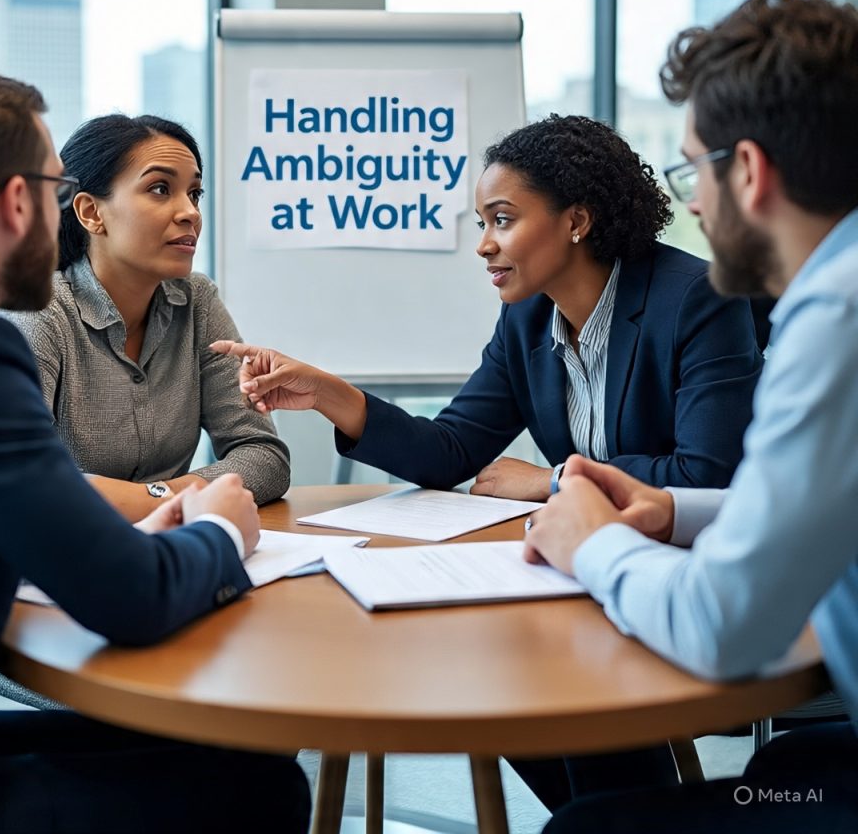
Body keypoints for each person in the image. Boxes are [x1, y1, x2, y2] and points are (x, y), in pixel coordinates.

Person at [213, 113, 764, 810]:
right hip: (577, 578)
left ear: (577, 221)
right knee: (509, 677)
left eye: (501, 219)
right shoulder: (527, 318)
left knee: (564, 704)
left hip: (673, 576)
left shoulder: (697, 298)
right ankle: (602, 818)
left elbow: (703, 477)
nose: (482, 245)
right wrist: (329, 394)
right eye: (481, 222)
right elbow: (450, 452)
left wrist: (552, 480)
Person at [0, 71, 310, 834]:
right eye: (56, 187)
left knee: (232, 758)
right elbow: (130, 600)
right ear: (20, 203)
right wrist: (219, 525)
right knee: (262, 785)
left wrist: (125, 526)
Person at [522, 0, 858, 834]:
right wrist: (672, 511)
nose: (693, 207)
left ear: (746, 171)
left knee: (590, 829)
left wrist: (589, 540)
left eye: (691, 171)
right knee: (778, 772)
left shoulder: (835, 317)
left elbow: (721, 628)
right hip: (830, 752)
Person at [3, 113, 290, 522]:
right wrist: (189, 500)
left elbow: (263, 455)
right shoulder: (39, 313)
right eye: (160, 189)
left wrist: (159, 498)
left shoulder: (197, 301)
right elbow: (23, 476)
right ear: (90, 213)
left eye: (194, 193)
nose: (189, 212)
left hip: (174, 542)